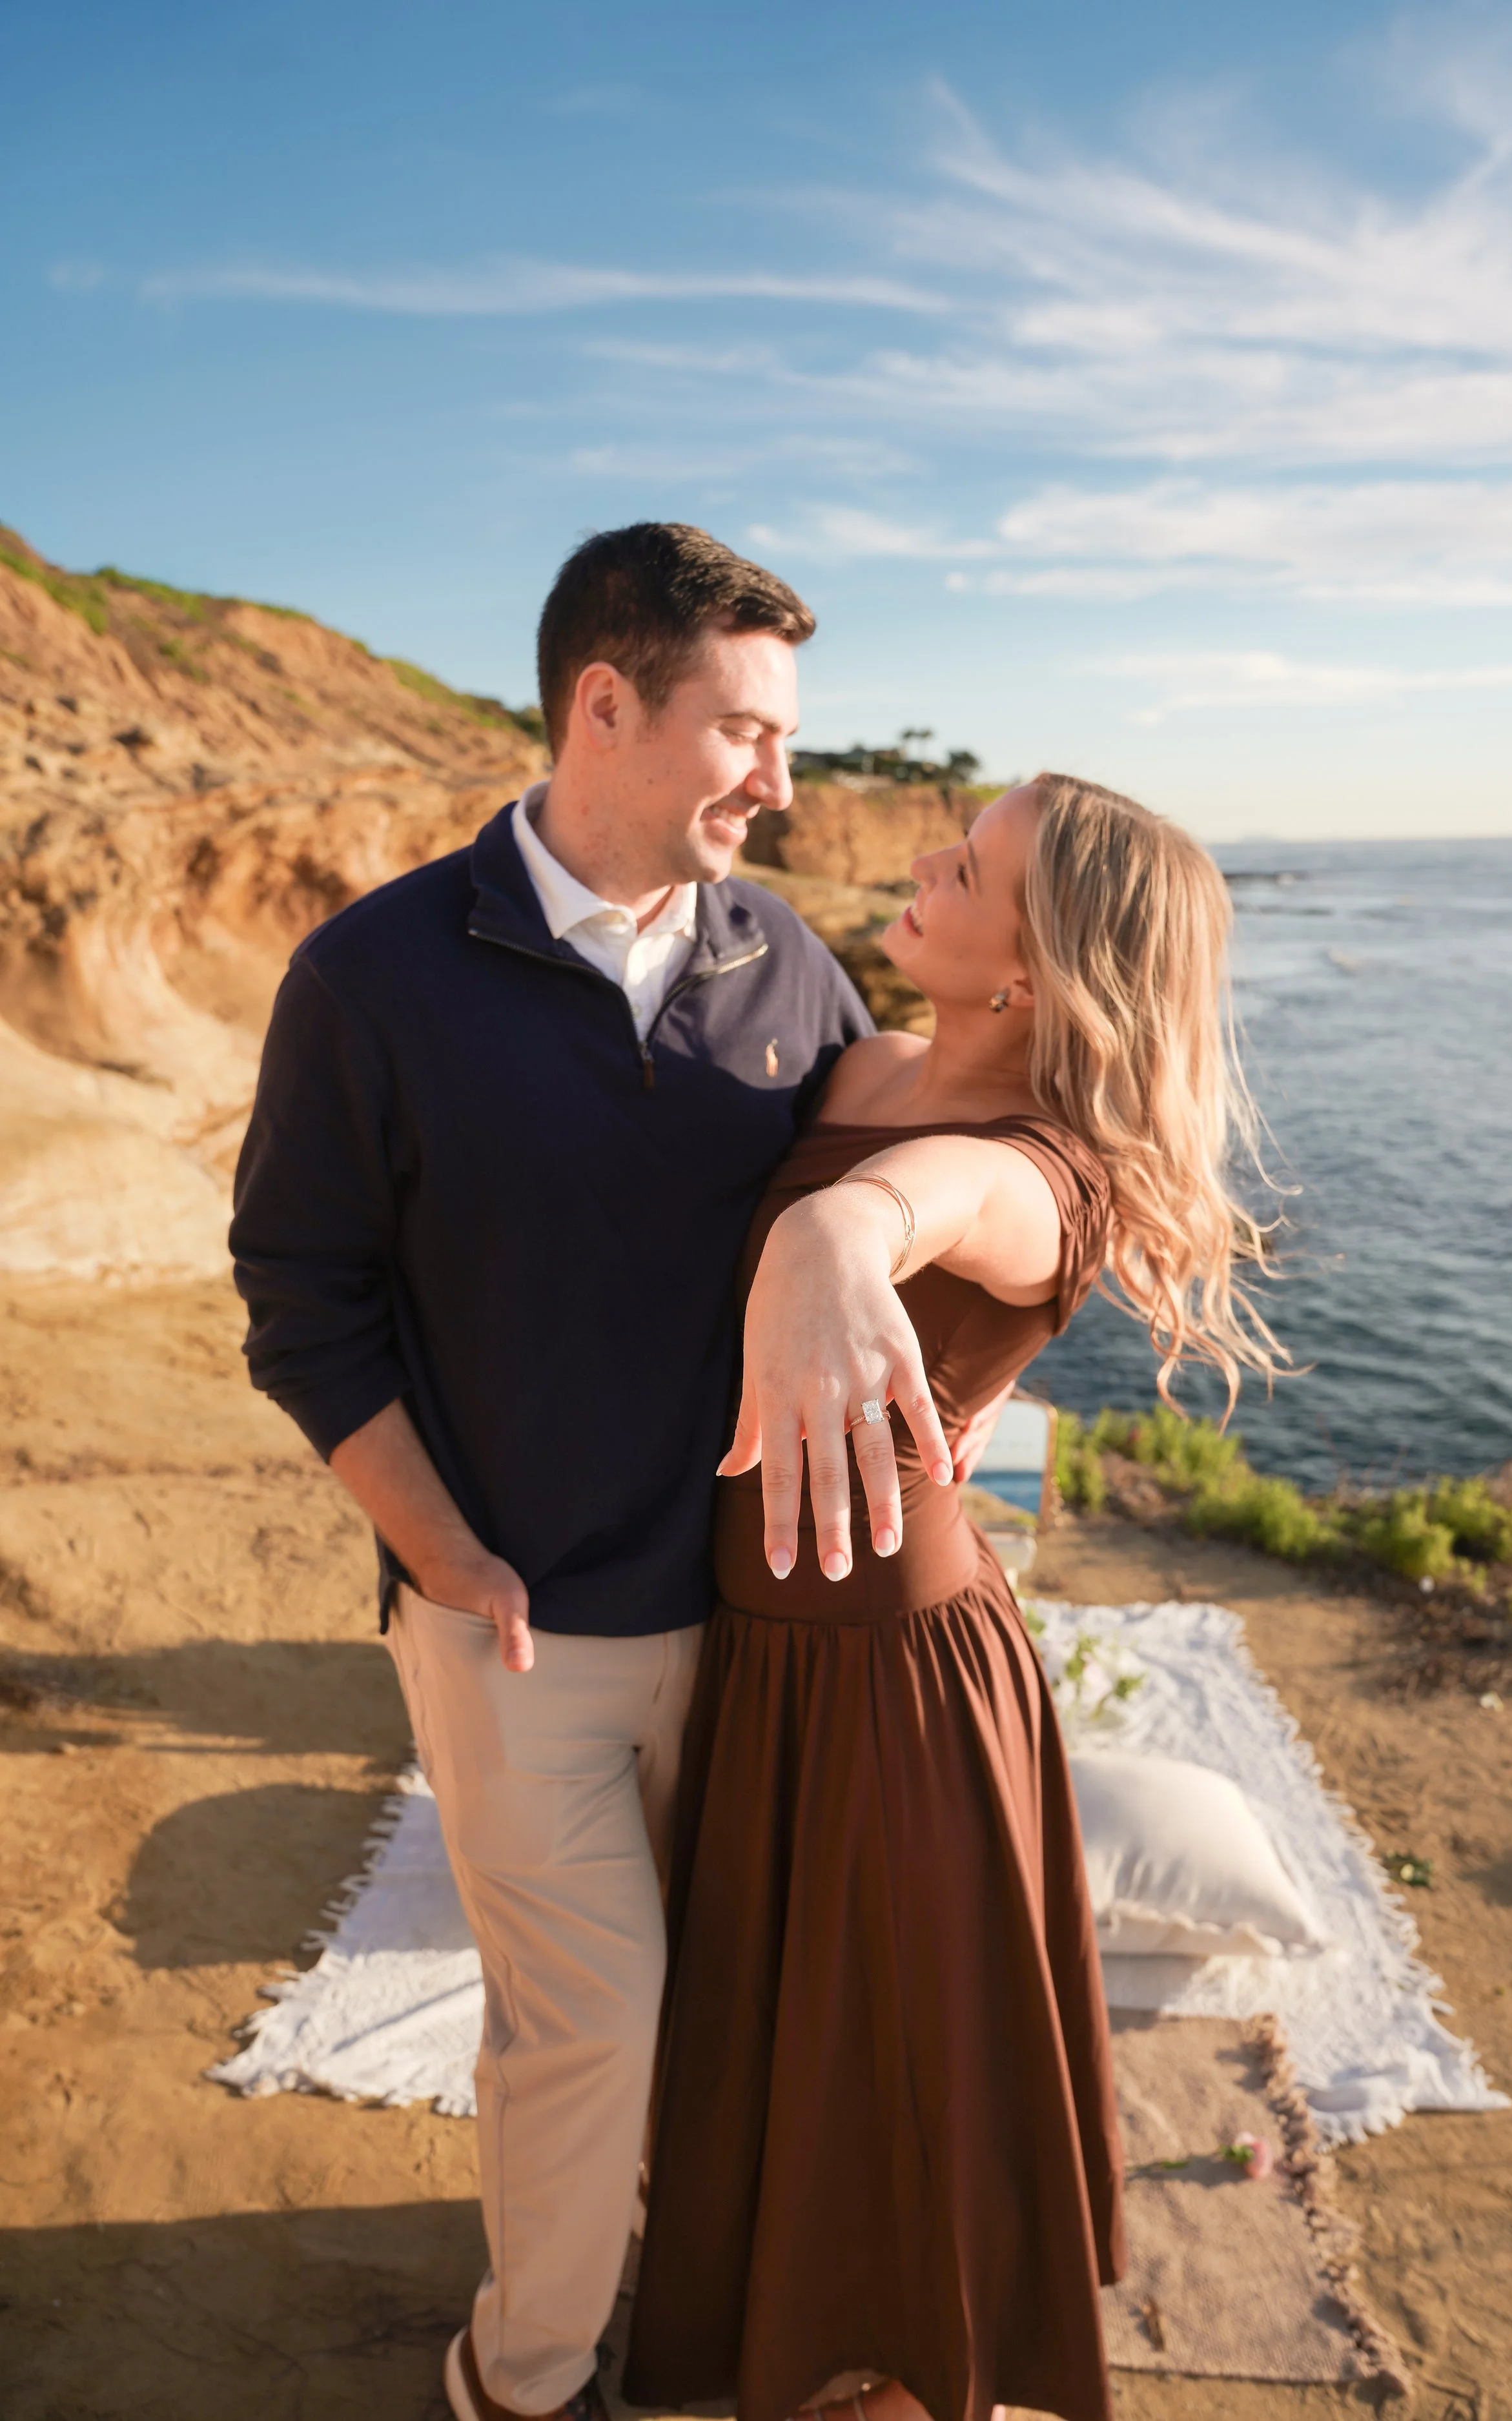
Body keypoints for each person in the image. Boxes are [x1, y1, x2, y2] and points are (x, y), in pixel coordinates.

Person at [230, 523, 976, 2421]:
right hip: (517, 1624)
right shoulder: (371, 974)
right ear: (603, 704)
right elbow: (301, 1299)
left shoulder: (780, 954)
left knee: (720, 2015)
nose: (778, 782)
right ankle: (527, 2377)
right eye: (742, 731)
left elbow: (918, 1150)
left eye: (787, 739)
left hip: (746, 1627)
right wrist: (445, 1554)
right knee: (593, 2023)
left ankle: (705, 2310)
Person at [623, 773, 1284, 2421]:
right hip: (754, 1627)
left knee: (890, 2041)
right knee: (766, 2013)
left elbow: (926, 1202)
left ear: (1035, 977)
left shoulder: (1038, 1176)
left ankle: (914, 2369)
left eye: (969, 864)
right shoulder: (861, 1057)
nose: (924, 858)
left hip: (880, 1664)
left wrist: (846, 1227)